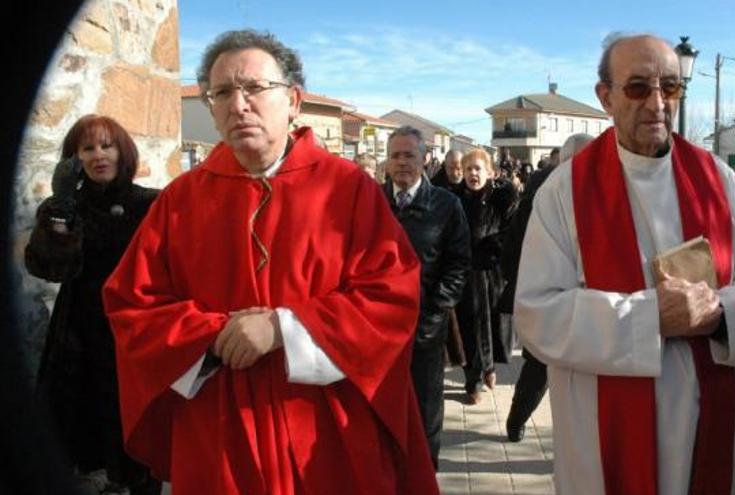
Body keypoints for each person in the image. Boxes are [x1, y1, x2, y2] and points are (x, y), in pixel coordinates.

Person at [102, 30, 438, 494]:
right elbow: (132, 305)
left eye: (254, 88)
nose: (238, 105)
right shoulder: (180, 199)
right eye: (221, 93)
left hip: (326, 422)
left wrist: (283, 328)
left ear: (293, 100)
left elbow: (391, 296)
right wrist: (214, 336)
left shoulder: (347, 189)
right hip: (221, 422)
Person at [514, 34, 735, 495]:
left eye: (671, 88)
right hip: (602, 433)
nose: (658, 103)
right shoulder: (564, 192)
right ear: (606, 97)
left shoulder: (717, 179)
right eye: (638, 87)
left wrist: (719, 314)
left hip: (706, 421)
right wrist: (648, 318)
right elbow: (537, 312)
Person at [25, 114, 160, 495]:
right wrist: (63, 211)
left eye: (107, 145)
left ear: (124, 151)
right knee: (78, 442)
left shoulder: (151, 203)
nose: (99, 155)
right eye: (88, 148)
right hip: (78, 338)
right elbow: (50, 268)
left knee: (136, 446)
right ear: (74, 158)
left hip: (133, 337)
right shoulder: (66, 208)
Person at [383, 126, 471, 469]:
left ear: (425, 159)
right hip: (377, 331)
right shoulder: (373, 199)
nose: (402, 162)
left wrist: (433, 316)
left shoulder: (446, 205)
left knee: (425, 409)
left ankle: (424, 473)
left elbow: (458, 265)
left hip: (425, 329)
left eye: (410, 155)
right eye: (396, 156)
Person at [503, 133, 593, 443]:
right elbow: (515, 244)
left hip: (590, 304)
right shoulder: (540, 195)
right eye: (577, 161)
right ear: (562, 162)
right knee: (538, 368)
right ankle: (517, 419)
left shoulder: (605, 194)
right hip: (549, 299)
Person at [454, 148, 518, 404]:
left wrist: (494, 246)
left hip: (492, 274)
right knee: (468, 328)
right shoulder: (455, 199)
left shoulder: (501, 198)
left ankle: (489, 367)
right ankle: (473, 381)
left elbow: (511, 232)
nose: (473, 174)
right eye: (468, 169)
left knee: (491, 326)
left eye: (477, 169)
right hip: (464, 275)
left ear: (489, 172)